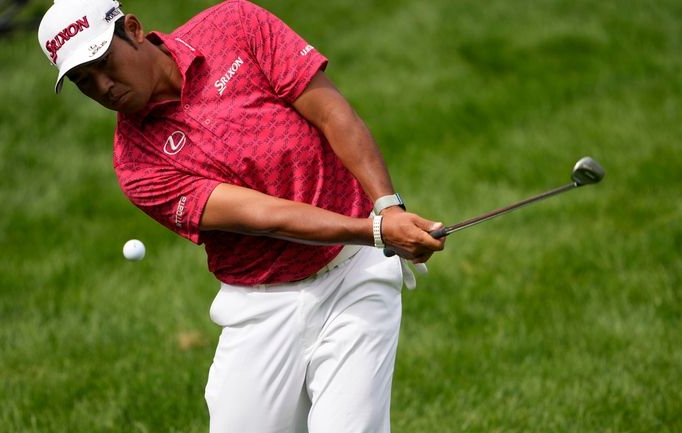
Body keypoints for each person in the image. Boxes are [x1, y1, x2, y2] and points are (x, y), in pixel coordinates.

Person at [37, 0, 445, 431]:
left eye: (104, 62)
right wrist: (378, 230)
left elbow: (330, 111)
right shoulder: (138, 165)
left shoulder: (235, 25)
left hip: (354, 275)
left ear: (134, 30)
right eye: (85, 81)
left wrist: (387, 207)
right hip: (262, 306)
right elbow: (263, 216)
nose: (103, 86)